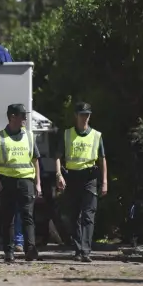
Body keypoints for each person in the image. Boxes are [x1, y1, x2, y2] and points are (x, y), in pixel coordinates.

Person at [0, 104, 42, 263]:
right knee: (8, 218)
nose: (25, 118)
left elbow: (36, 160)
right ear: (12, 117)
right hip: (7, 182)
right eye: (22, 115)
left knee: (28, 216)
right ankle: (9, 251)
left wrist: (38, 183)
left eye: (25, 115)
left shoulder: (30, 136)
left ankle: (30, 249)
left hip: (26, 182)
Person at [54, 101, 107, 263]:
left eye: (88, 115)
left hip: (90, 178)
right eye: (82, 115)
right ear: (76, 116)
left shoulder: (96, 135)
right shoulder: (67, 134)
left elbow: (102, 159)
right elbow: (57, 156)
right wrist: (59, 175)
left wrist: (104, 182)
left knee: (88, 215)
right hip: (72, 177)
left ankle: (85, 250)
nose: (85, 118)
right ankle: (78, 249)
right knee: (74, 216)